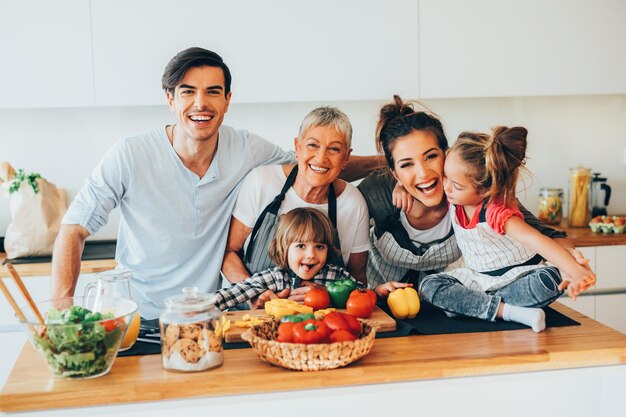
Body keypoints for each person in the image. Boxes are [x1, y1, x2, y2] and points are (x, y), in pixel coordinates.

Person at [51, 47, 381, 319]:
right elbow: (74, 227)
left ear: (227, 100)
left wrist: (393, 164)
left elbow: (315, 166)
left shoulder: (246, 149)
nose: (201, 103)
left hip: (212, 316)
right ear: (170, 99)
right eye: (188, 92)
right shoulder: (130, 155)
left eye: (213, 92)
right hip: (139, 317)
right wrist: (62, 310)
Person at [357, 95, 590, 301]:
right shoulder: (379, 193)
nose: (423, 173)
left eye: (430, 157)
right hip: (382, 307)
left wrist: (570, 264)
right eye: (406, 164)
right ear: (394, 172)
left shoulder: (474, 193)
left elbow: (545, 236)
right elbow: (330, 180)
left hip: (457, 307)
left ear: (447, 155)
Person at [418, 126, 596, 332]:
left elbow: (535, 240)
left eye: (457, 186)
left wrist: (574, 270)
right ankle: (512, 312)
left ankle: (472, 306)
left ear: (487, 189)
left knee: (550, 280)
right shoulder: (455, 196)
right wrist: (399, 187)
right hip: (481, 279)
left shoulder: (496, 211)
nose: (446, 187)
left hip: (521, 277)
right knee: (429, 285)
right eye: (445, 176)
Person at [221, 106, 370, 308]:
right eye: (312, 145)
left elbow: (358, 280)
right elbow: (228, 252)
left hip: (317, 321)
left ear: (346, 158)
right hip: (249, 314)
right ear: (297, 147)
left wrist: (327, 295)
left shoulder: (353, 203)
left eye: (334, 149)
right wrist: (255, 295)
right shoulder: (262, 182)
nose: (321, 158)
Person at [212, 208, 362, 311]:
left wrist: (331, 296)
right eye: (301, 246)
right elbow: (237, 291)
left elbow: (362, 295)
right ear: (284, 250)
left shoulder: (335, 276)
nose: (311, 254)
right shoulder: (275, 277)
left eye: (320, 247)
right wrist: (202, 306)